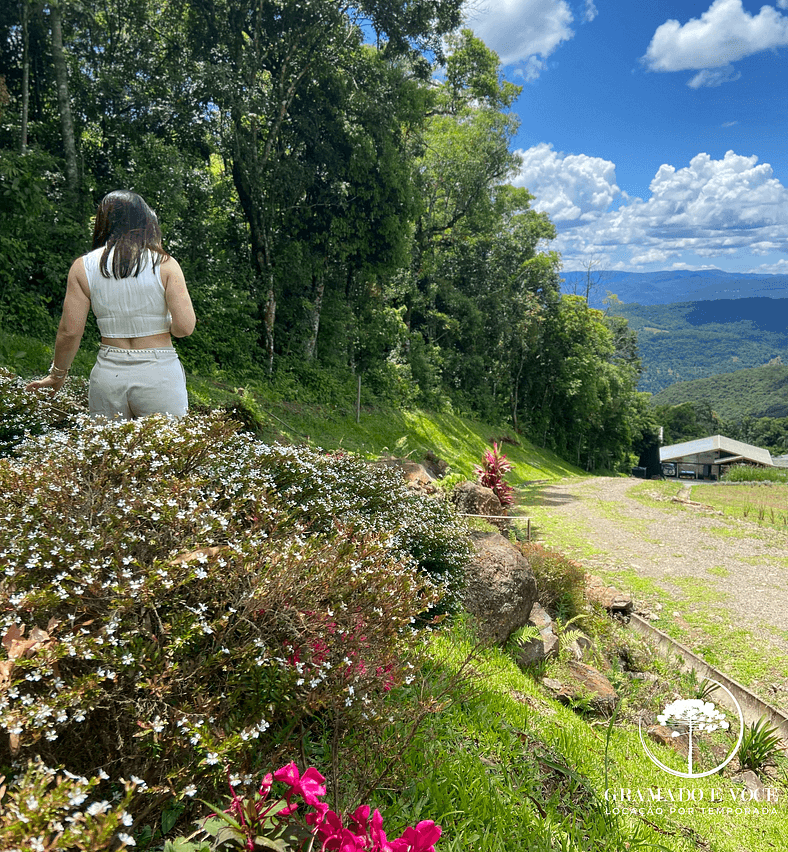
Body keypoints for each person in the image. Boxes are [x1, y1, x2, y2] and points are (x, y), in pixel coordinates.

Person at [26, 190, 196, 419]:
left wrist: (57, 375)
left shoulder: (83, 267)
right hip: (159, 373)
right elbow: (185, 327)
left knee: (109, 453)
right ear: (146, 221)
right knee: (165, 451)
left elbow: (70, 332)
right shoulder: (165, 263)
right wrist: (171, 327)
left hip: (108, 374)